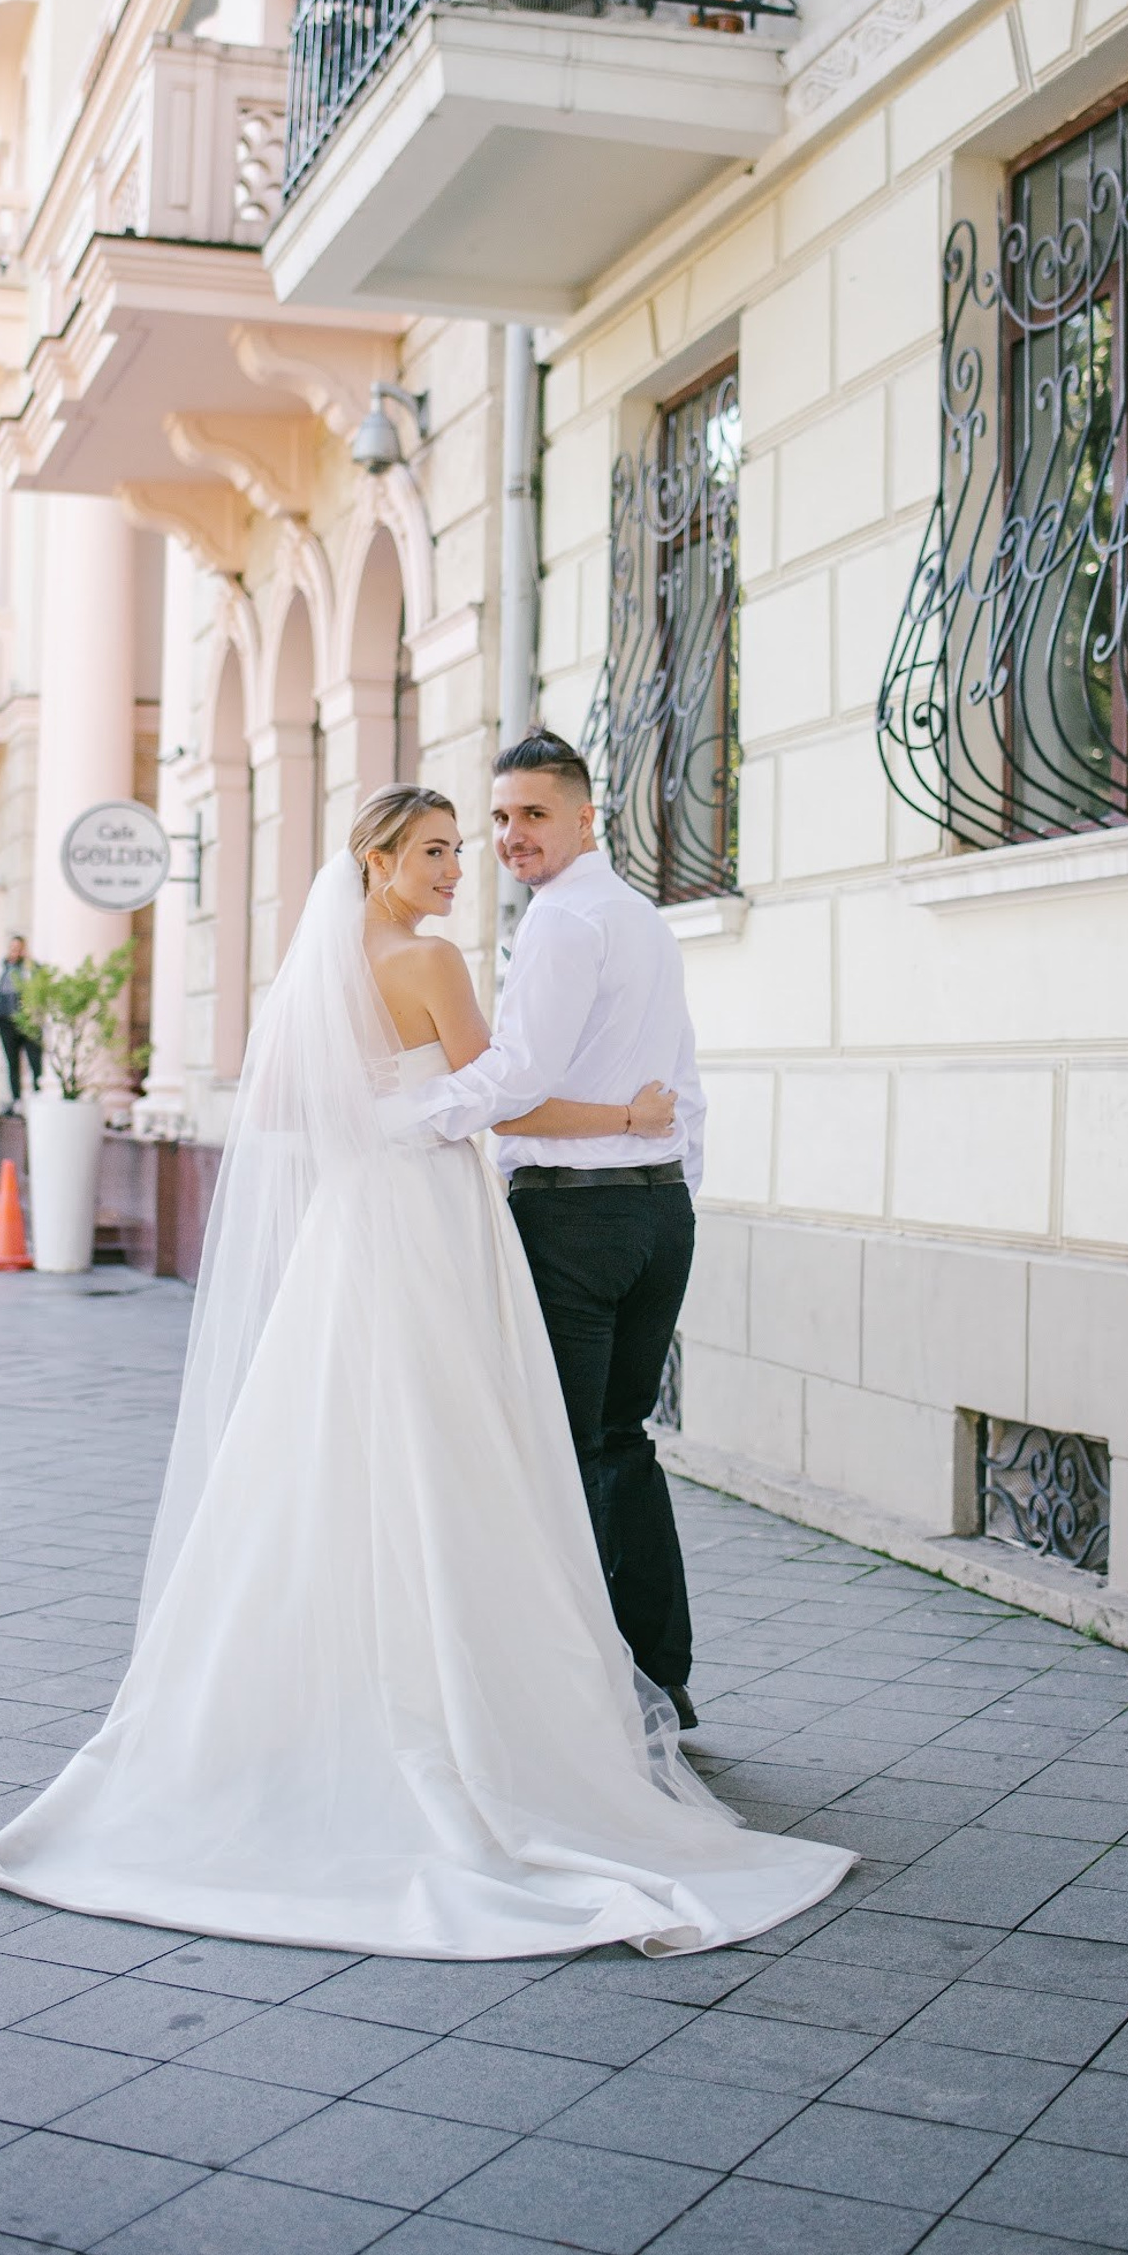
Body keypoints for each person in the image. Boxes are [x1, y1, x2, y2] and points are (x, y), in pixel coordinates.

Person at [0, 785, 854, 1958]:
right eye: (434, 851)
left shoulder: (323, 972)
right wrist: (634, 1114)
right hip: (429, 1219)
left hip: (351, 1222)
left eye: (460, 851)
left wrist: (391, 1117)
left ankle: (327, 1691)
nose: (454, 871)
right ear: (377, 861)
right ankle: (458, 1694)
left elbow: (290, 1108)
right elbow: (506, 1095)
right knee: (456, 1444)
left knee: (332, 1443)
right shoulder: (429, 963)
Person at [403, 731, 705, 1727]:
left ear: (585, 815)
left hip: (577, 1219)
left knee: (557, 1456)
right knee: (623, 1444)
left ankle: (576, 1706)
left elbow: (518, 1079)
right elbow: (677, 1081)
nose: (510, 836)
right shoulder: (641, 918)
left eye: (533, 814)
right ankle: (658, 1681)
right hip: (660, 1213)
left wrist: (416, 1113)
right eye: (499, 818)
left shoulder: (565, 923)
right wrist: (663, 1172)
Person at [0, 936, 41, 1105]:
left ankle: (38, 1094)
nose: (15, 952)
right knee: (12, 1062)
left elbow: (41, 980)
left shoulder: (30, 968)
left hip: (27, 1021)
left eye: (19, 948)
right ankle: (16, 1099)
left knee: (35, 1059)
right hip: (5, 1021)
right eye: (13, 948)